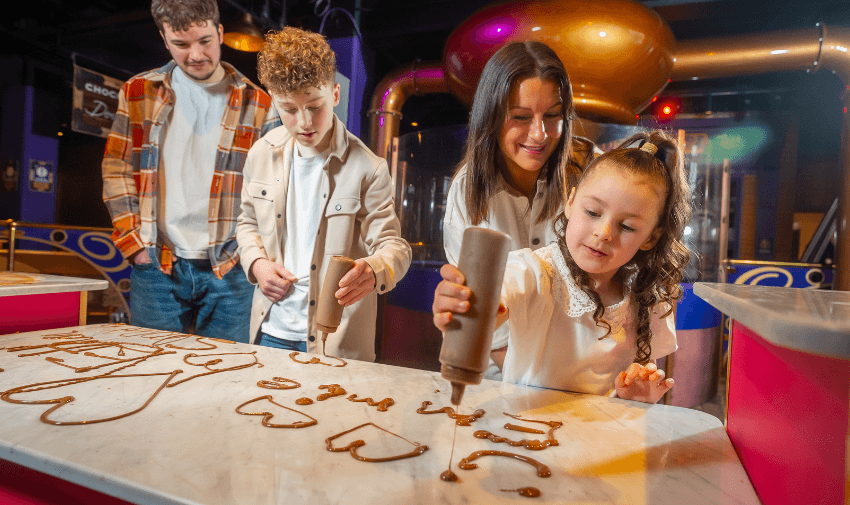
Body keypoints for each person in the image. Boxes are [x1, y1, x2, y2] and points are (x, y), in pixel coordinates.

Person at [434, 130, 692, 403]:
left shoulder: (649, 298)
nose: (603, 233)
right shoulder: (536, 272)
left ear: (651, 237)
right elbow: (497, 297)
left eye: (627, 226)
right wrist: (467, 307)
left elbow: (634, 384)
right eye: (592, 212)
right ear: (570, 202)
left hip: (597, 442)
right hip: (523, 435)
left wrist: (637, 397)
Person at [101, 0, 280, 341]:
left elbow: (270, 187)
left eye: (205, 41)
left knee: (224, 373)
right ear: (165, 40)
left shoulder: (259, 104)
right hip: (156, 259)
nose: (196, 54)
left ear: (221, 33)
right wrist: (134, 243)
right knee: (151, 368)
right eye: (182, 44)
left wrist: (251, 253)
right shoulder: (138, 91)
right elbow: (116, 166)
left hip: (230, 263)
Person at [236, 27, 411, 360]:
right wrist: (257, 263)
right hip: (269, 331)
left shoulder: (369, 168)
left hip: (336, 343)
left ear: (335, 94)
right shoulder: (260, 153)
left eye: (314, 106)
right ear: (273, 99)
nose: (304, 122)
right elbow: (246, 225)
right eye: (289, 109)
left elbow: (395, 248)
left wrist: (375, 270)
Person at [442, 41, 597, 379]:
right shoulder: (468, 190)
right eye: (521, 117)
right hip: (501, 368)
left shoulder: (589, 171)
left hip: (583, 364)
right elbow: (477, 311)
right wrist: (528, 375)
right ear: (491, 118)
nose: (539, 134)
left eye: (553, 115)